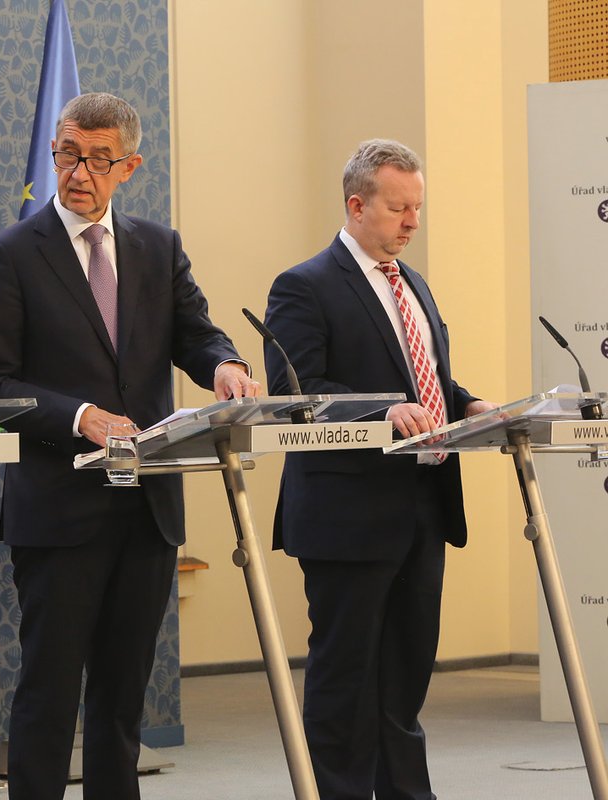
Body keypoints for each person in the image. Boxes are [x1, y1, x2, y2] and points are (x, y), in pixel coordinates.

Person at [0, 92, 261, 800]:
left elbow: (196, 333)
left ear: (129, 166)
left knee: (124, 699)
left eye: (98, 160)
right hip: (59, 513)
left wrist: (223, 363)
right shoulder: (11, 253)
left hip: (147, 509)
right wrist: (80, 416)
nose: (78, 172)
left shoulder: (158, 247)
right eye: (68, 154)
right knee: (49, 694)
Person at [262, 139, 498, 800]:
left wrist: (469, 401)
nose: (412, 222)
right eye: (399, 208)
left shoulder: (413, 284)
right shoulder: (303, 286)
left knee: (404, 682)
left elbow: (425, 381)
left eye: (417, 208)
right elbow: (294, 390)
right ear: (357, 204)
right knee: (344, 682)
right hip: (347, 515)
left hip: (422, 507)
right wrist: (383, 411)